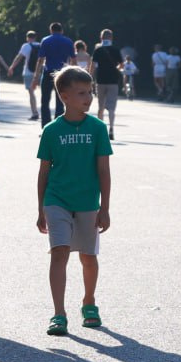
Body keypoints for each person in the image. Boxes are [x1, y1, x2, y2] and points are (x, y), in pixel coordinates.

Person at [36, 66, 112, 336]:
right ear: (64, 96)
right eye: (81, 93)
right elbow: (44, 171)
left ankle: (89, 302)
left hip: (88, 202)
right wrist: (40, 209)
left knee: (88, 257)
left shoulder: (98, 129)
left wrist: (105, 208)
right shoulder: (51, 130)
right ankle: (58, 313)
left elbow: (104, 170)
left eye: (89, 92)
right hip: (56, 200)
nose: (88, 98)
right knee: (59, 253)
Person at [35, 22, 76, 126]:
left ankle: (46, 125)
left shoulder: (45, 40)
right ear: (61, 30)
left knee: (45, 100)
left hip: (48, 72)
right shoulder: (68, 41)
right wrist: (73, 73)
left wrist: (36, 76)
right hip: (62, 74)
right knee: (61, 100)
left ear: (51, 30)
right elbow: (73, 60)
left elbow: (41, 59)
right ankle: (59, 125)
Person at [90, 30, 122, 139]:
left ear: (101, 38)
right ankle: (111, 128)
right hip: (113, 81)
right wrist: (116, 69)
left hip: (101, 80)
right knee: (112, 107)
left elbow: (93, 66)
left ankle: (100, 130)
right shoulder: (116, 50)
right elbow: (121, 65)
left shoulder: (98, 50)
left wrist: (90, 79)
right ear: (111, 38)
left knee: (101, 107)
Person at [8, 31, 41, 121]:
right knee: (42, 92)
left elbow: (19, 57)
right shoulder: (40, 45)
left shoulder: (26, 46)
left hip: (28, 72)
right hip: (39, 72)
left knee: (31, 92)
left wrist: (12, 67)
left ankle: (34, 112)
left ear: (27, 37)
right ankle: (43, 110)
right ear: (35, 37)